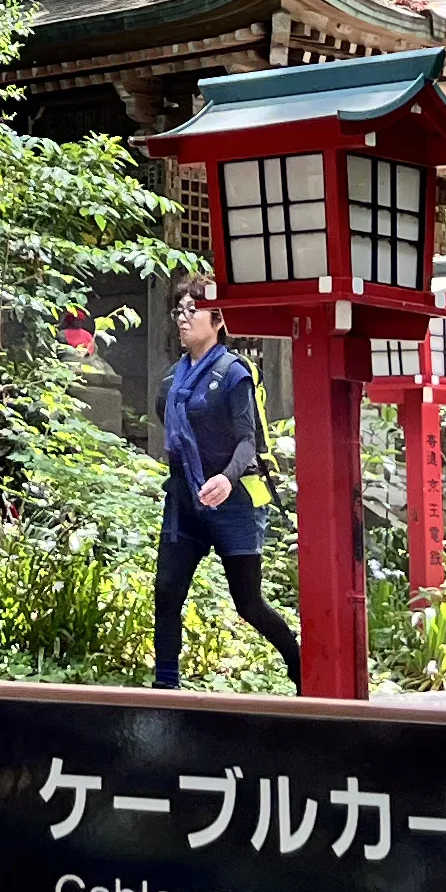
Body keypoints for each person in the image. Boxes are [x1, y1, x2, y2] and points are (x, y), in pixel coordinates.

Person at [155, 284, 305, 691]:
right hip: (186, 499)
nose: (183, 317)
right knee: (167, 592)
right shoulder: (173, 380)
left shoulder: (234, 373)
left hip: (233, 501)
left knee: (249, 603)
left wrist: (225, 477)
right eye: (179, 310)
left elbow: (248, 441)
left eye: (193, 310)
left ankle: (300, 666)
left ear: (218, 321)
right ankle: (164, 689)